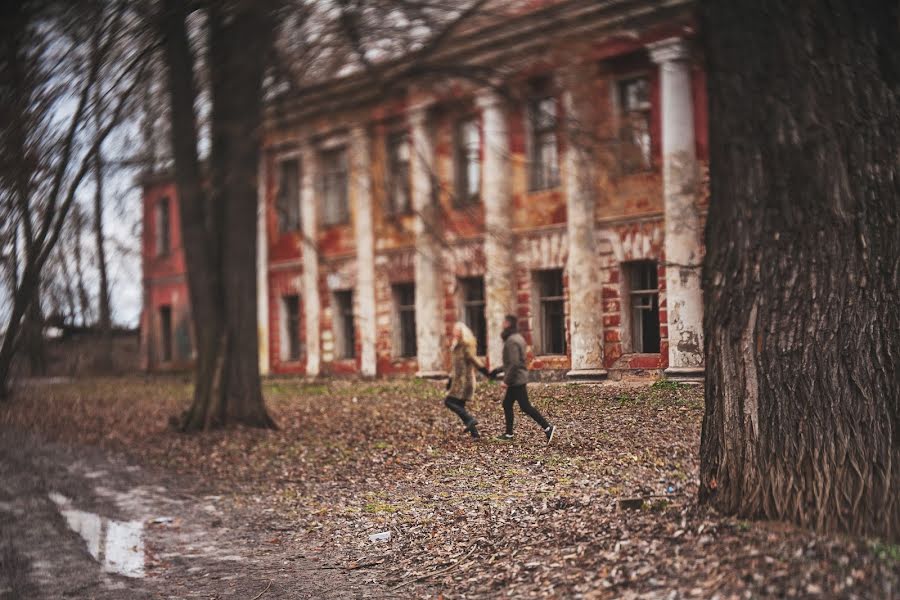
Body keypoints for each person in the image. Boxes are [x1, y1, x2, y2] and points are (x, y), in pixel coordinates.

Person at [492, 314, 556, 443]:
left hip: (516, 379)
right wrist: (497, 370)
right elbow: (514, 361)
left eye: (504, 322)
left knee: (525, 407)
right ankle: (509, 434)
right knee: (507, 404)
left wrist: (506, 381)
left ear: (508, 324)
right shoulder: (518, 338)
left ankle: (547, 427)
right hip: (517, 377)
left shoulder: (511, 340)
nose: (502, 325)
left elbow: (515, 363)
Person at [444, 322, 491, 439]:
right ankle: (475, 434)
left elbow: (473, 359)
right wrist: (450, 380)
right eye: (454, 329)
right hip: (457, 380)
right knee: (460, 405)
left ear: (461, 332)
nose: (453, 332)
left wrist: (485, 371)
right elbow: (455, 366)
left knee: (449, 401)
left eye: (456, 330)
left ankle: (470, 420)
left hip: (464, 381)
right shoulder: (456, 345)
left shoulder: (465, 345)